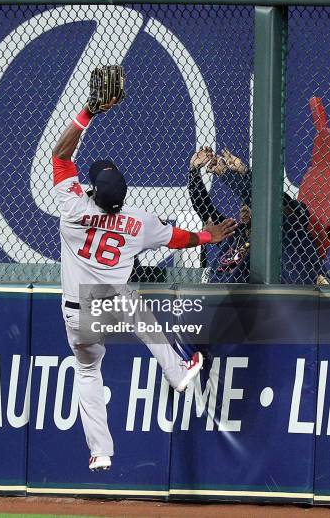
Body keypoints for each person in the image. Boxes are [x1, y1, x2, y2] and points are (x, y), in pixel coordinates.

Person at [52, 91, 237, 472]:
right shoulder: (138, 222)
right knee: (143, 318)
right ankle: (178, 370)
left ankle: (101, 451)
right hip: (114, 303)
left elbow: (60, 155)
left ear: (93, 191)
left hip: (77, 312)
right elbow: (176, 238)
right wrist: (207, 237)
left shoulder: (73, 207)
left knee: (87, 371)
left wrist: (88, 111)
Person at [188, 147, 322, 284]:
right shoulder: (236, 232)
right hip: (217, 296)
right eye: (243, 205)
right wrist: (194, 172)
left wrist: (230, 174)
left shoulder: (290, 234)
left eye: (249, 205)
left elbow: (262, 201)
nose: (244, 208)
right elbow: (204, 209)